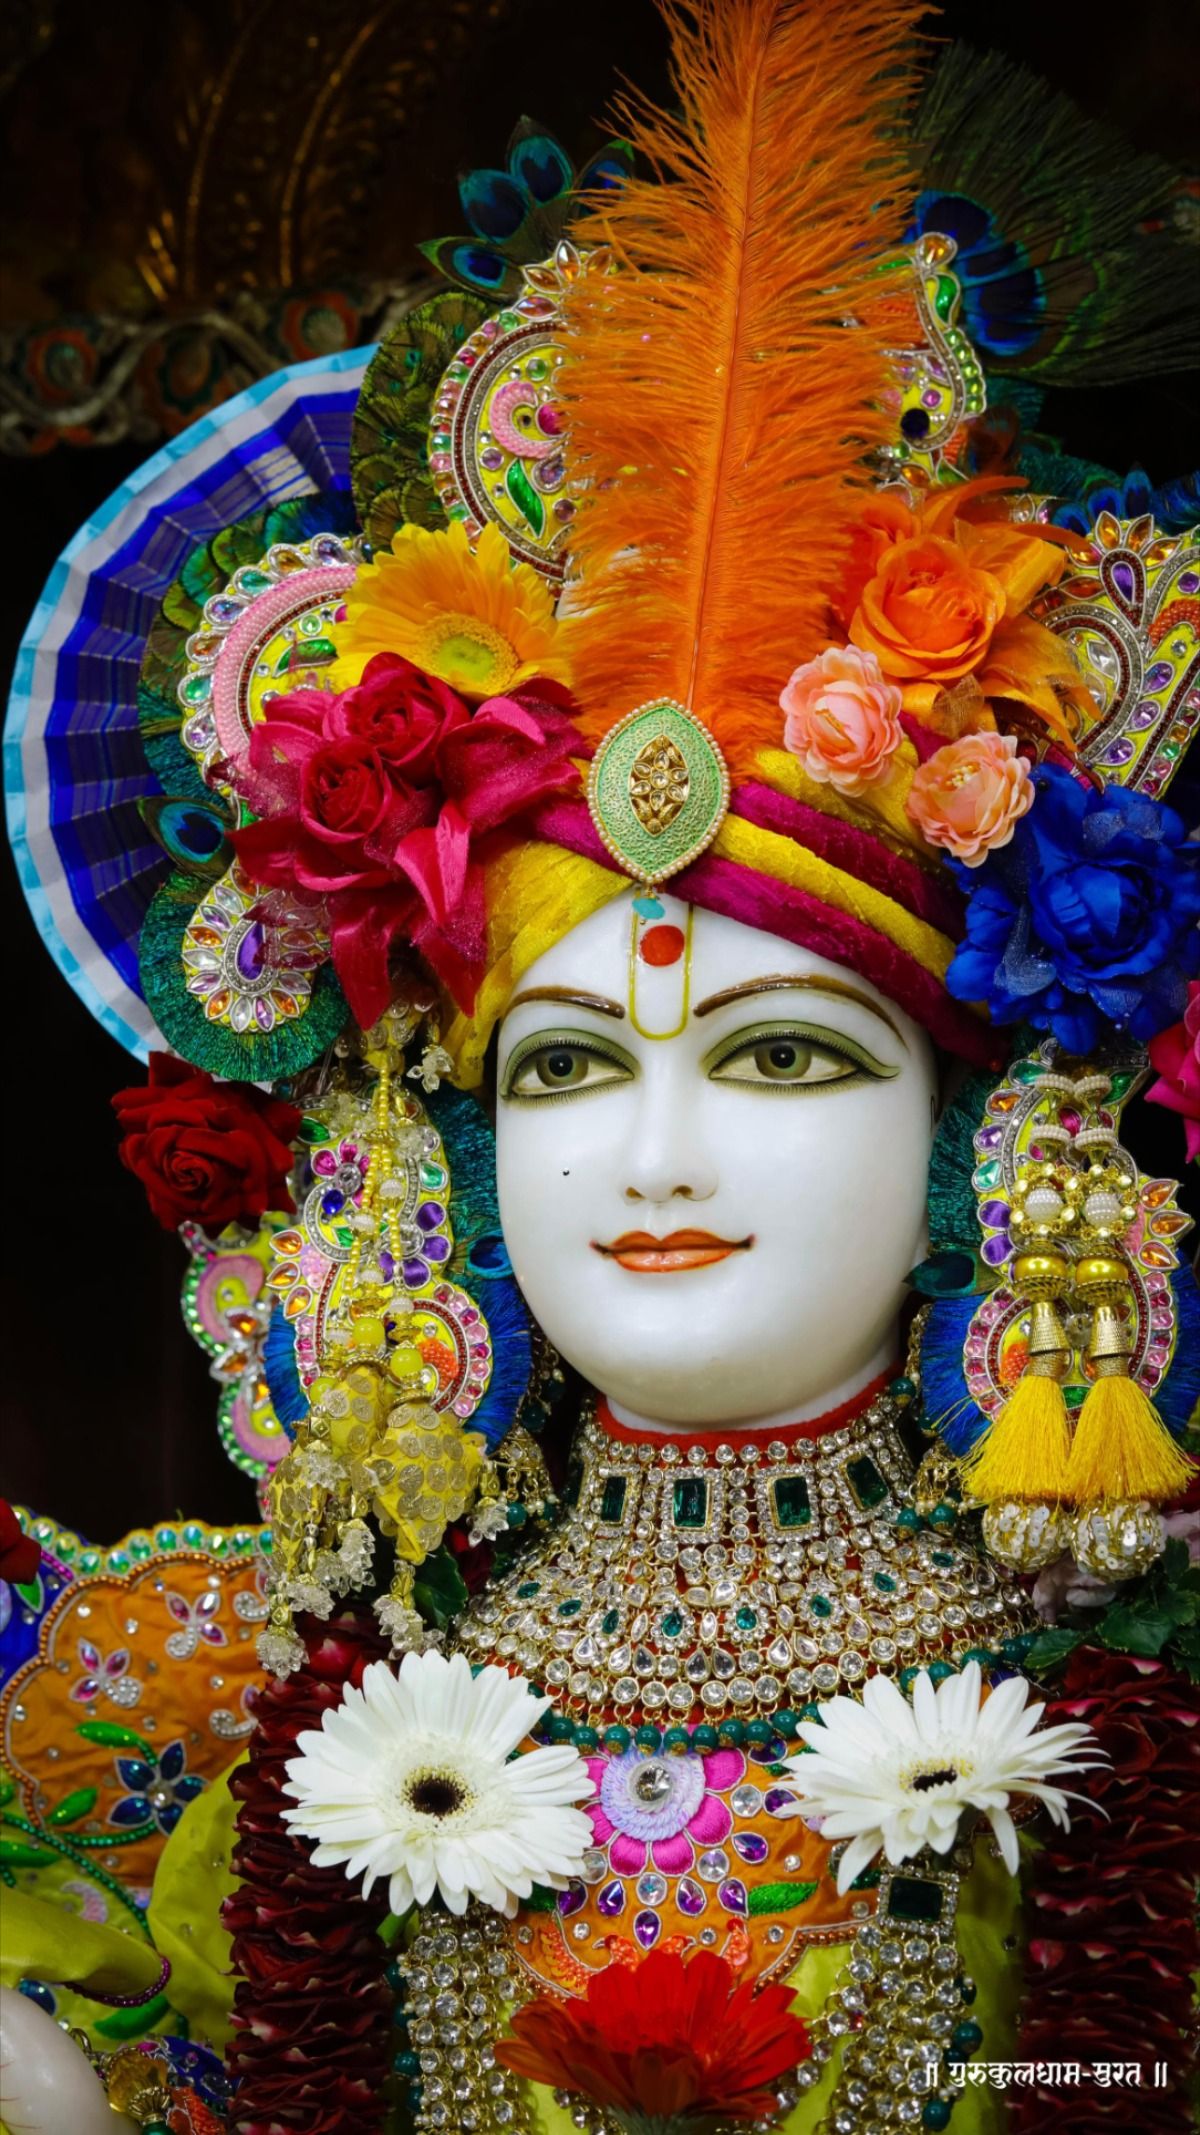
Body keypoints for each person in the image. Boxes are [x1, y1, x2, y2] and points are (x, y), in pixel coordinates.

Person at [2, 2, 1197, 2130]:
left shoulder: (1127, 1718)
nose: (652, 1148)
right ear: (439, 1162)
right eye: (559, 1074)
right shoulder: (321, 1719)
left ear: (980, 1137)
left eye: (787, 1056)